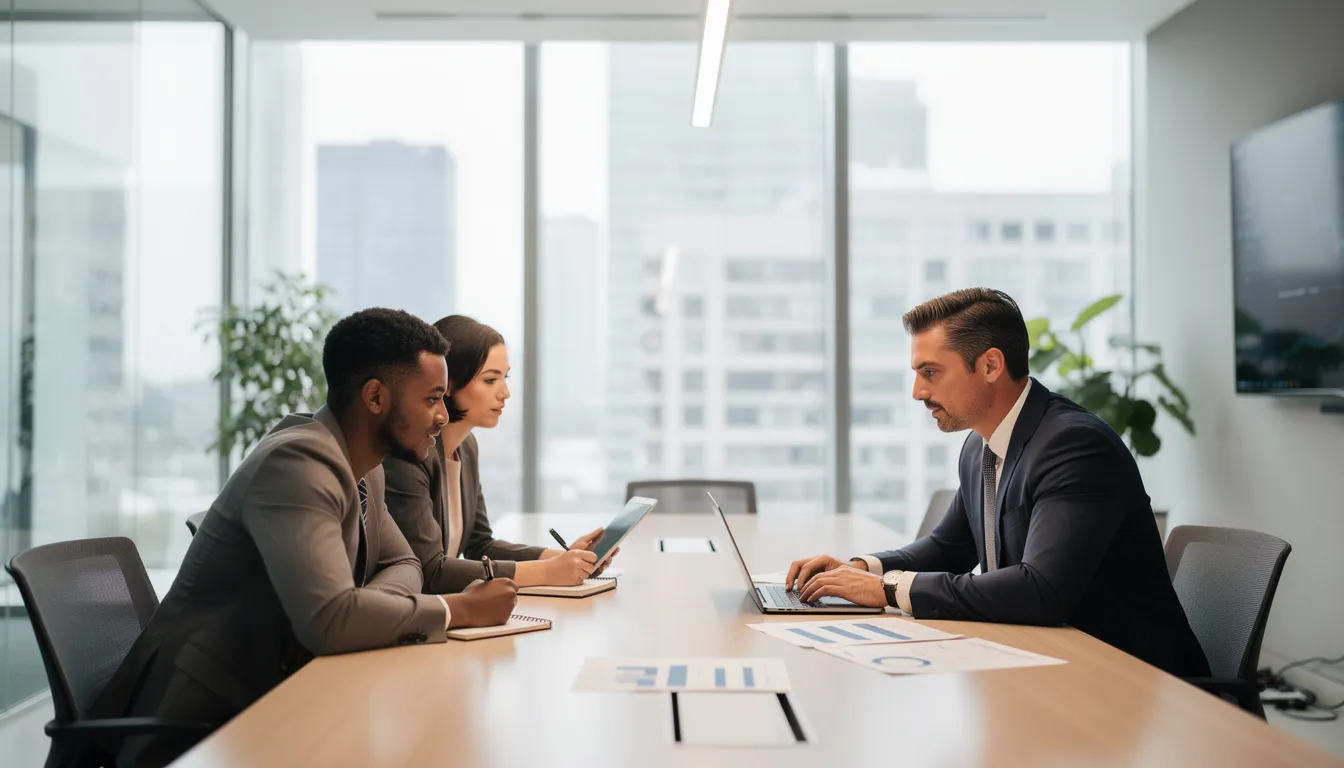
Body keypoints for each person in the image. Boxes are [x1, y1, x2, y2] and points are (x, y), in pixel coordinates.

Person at [91, 308, 519, 768]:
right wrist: (459, 608)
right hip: (201, 727)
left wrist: (368, 610)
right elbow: (332, 619)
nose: (441, 415)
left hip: (280, 697)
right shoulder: (297, 462)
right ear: (375, 397)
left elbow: (405, 565)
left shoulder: (365, 467)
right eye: (432, 398)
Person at [785, 288, 1209, 677]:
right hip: (1046, 659)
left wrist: (887, 589)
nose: (917, 392)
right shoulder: (979, 446)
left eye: (930, 373)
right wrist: (859, 570)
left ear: (990, 365)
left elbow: (1041, 589)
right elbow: (948, 548)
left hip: (1129, 678)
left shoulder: (1074, 444)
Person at [385, 315, 617, 593]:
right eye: (490, 380)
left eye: (504, 378)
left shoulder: (466, 447)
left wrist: (562, 558)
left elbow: (480, 545)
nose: (505, 393)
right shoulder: (408, 454)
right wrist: (545, 572)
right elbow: (430, 570)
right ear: (447, 382)